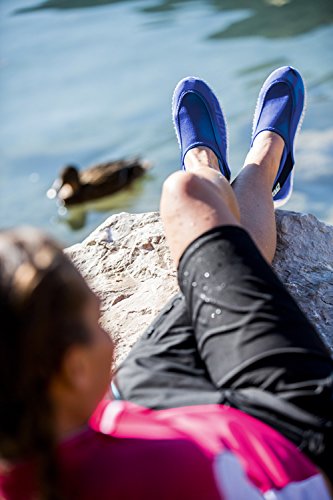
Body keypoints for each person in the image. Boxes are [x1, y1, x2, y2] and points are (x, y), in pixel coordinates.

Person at [0, 66, 332, 499]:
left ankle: (217, 168)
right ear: (73, 369)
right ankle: (263, 164)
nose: (111, 337)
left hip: (115, 418)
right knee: (188, 197)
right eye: (99, 322)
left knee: (202, 249)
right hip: (288, 431)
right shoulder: (175, 469)